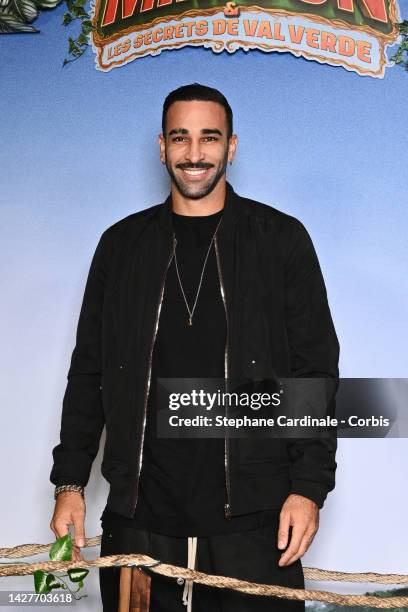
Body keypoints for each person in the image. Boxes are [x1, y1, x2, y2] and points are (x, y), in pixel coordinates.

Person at [49, 83, 340, 611]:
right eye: (181, 138)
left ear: (231, 147)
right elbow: (88, 370)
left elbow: (313, 371)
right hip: (138, 524)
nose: (194, 153)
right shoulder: (121, 245)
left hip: (255, 524)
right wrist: (70, 481)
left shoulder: (280, 240)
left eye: (210, 138)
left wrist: (309, 488)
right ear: (161, 146)